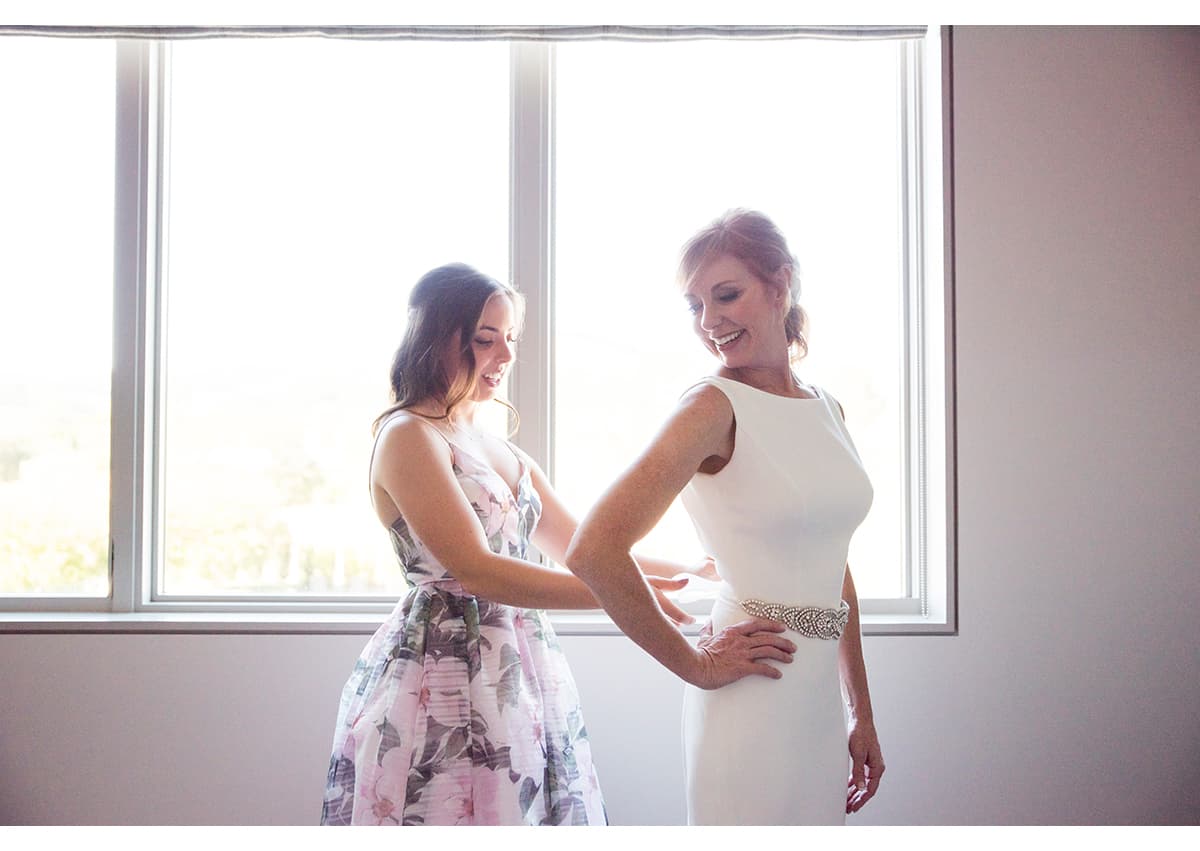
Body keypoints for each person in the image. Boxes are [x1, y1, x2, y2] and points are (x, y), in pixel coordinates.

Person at [319, 262, 795, 826]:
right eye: (485, 339)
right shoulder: (407, 436)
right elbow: (479, 571)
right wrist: (623, 595)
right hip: (441, 671)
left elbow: (581, 545)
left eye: (511, 339)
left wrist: (695, 569)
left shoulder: (503, 450)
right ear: (437, 338)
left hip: (519, 669)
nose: (506, 355)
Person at [565, 210, 885, 825]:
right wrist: (695, 664)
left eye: (726, 294)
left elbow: (833, 566)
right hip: (749, 699)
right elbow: (593, 548)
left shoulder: (827, 407)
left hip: (816, 705)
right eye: (694, 305)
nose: (710, 322)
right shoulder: (712, 408)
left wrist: (860, 712)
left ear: (780, 285)